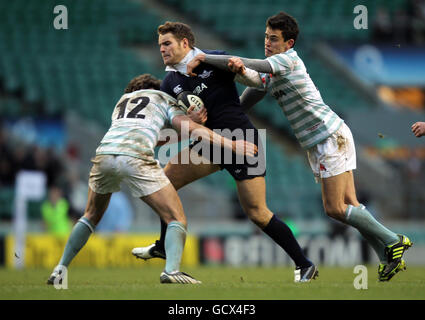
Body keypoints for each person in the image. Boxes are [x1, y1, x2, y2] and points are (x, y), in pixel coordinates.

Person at [186, 12, 413, 282]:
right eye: (266, 37)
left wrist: (206, 57)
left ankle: (392, 239)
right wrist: (227, 109)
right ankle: (387, 255)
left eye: (274, 39)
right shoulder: (274, 69)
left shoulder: (287, 60)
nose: (267, 43)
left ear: (289, 43)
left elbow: (255, 65)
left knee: (335, 209)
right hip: (323, 139)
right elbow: (255, 86)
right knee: (351, 204)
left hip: (329, 137)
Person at [131, 21, 318, 283]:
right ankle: (164, 246)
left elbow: (256, 80)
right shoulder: (169, 82)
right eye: (160, 44)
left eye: (167, 43)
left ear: (185, 43)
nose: (162, 49)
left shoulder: (215, 59)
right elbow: (179, 126)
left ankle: (304, 264)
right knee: (166, 182)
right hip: (209, 143)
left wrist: (240, 68)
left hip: (242, 139)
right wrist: (183, 125)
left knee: (258, 213)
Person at [46, 74, 257, 285]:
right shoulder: (164, 99)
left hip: (105, 154)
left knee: (90, 215)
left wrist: (186, 127)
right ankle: (171, 271)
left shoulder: (122, 103)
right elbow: (189, 129)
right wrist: (231, 144)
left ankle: (60, 269)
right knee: (176, 217)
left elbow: (154, 135)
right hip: (136, 156)